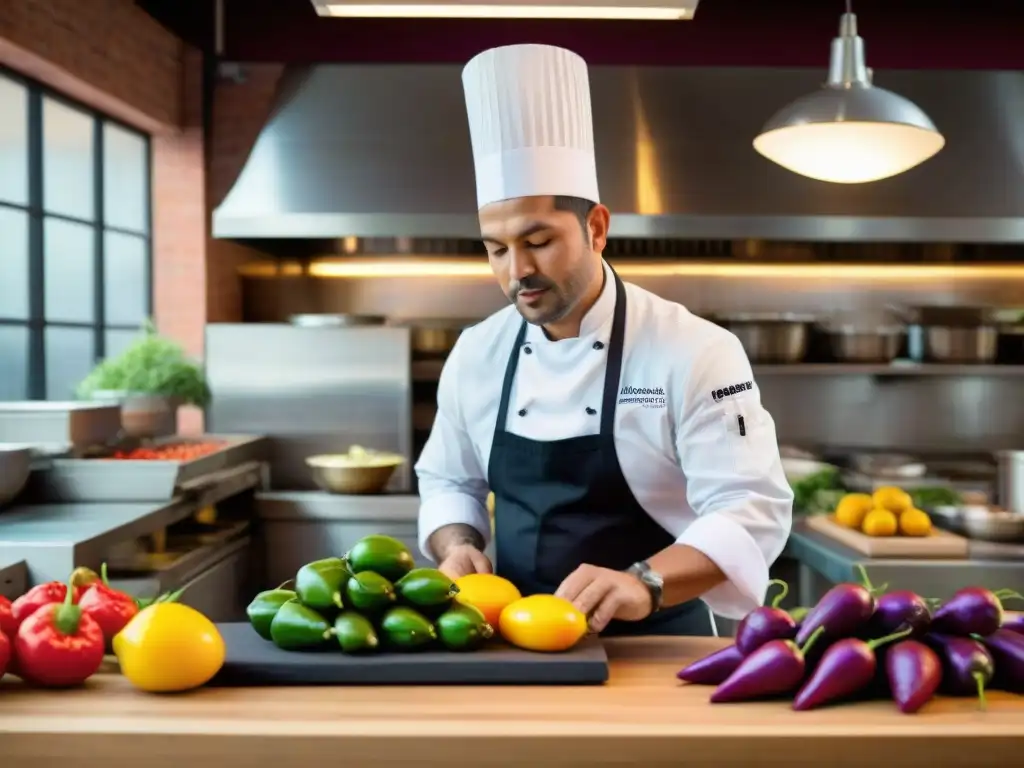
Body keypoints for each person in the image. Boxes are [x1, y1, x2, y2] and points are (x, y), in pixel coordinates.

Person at [415, 43, 793, 636]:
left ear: (596, 228)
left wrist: (645, 581)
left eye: (537, 241)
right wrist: (456, 544)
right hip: (511, 638)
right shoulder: (477, 352)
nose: (516, 271)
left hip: (660, 645)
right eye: (495, 249)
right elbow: (448, 479)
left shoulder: (695, 351)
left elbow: (751, 509)